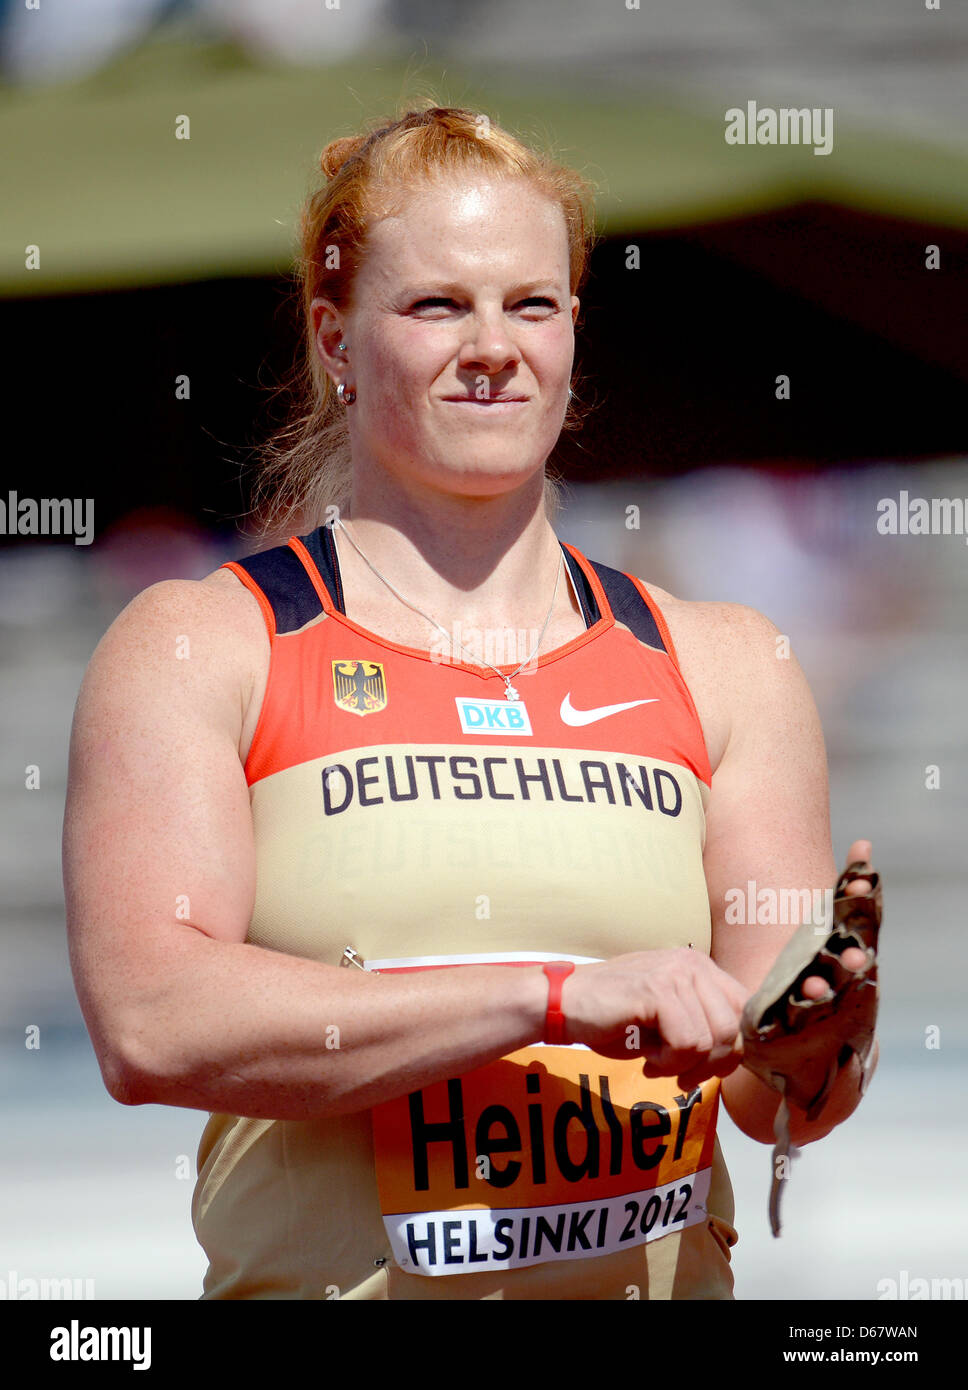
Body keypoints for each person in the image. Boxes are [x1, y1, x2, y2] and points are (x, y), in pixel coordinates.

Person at [63, 105, 877, 1300]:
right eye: (436, 305)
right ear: (334, 339)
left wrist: (818, 1047)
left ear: (572, 335)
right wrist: (546, 996)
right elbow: (150, 1022)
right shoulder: (203, 644)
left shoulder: (723, 660)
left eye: (530, 304)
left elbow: (771, 1102)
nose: (492, 346)